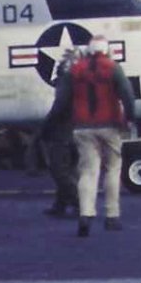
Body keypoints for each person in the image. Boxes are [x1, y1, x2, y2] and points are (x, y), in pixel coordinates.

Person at [70, 37, 137, 236]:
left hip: (83, 127)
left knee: (87, 171)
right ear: (107, 50)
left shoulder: (76, 69)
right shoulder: (113, 68)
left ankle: (85, 213)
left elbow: (64, 97)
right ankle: (111, 215)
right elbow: (127, 95)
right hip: (110, 124)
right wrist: (130, 118)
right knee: (112, 169)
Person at [41, 48, 80, 217]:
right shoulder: (80, 82)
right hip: (77, 130)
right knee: (68, 169)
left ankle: (79, 203)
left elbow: (59, 106)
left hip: (62, 131)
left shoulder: (66, 82)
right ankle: (60, 204)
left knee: (59, 170)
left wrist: (46, 126)